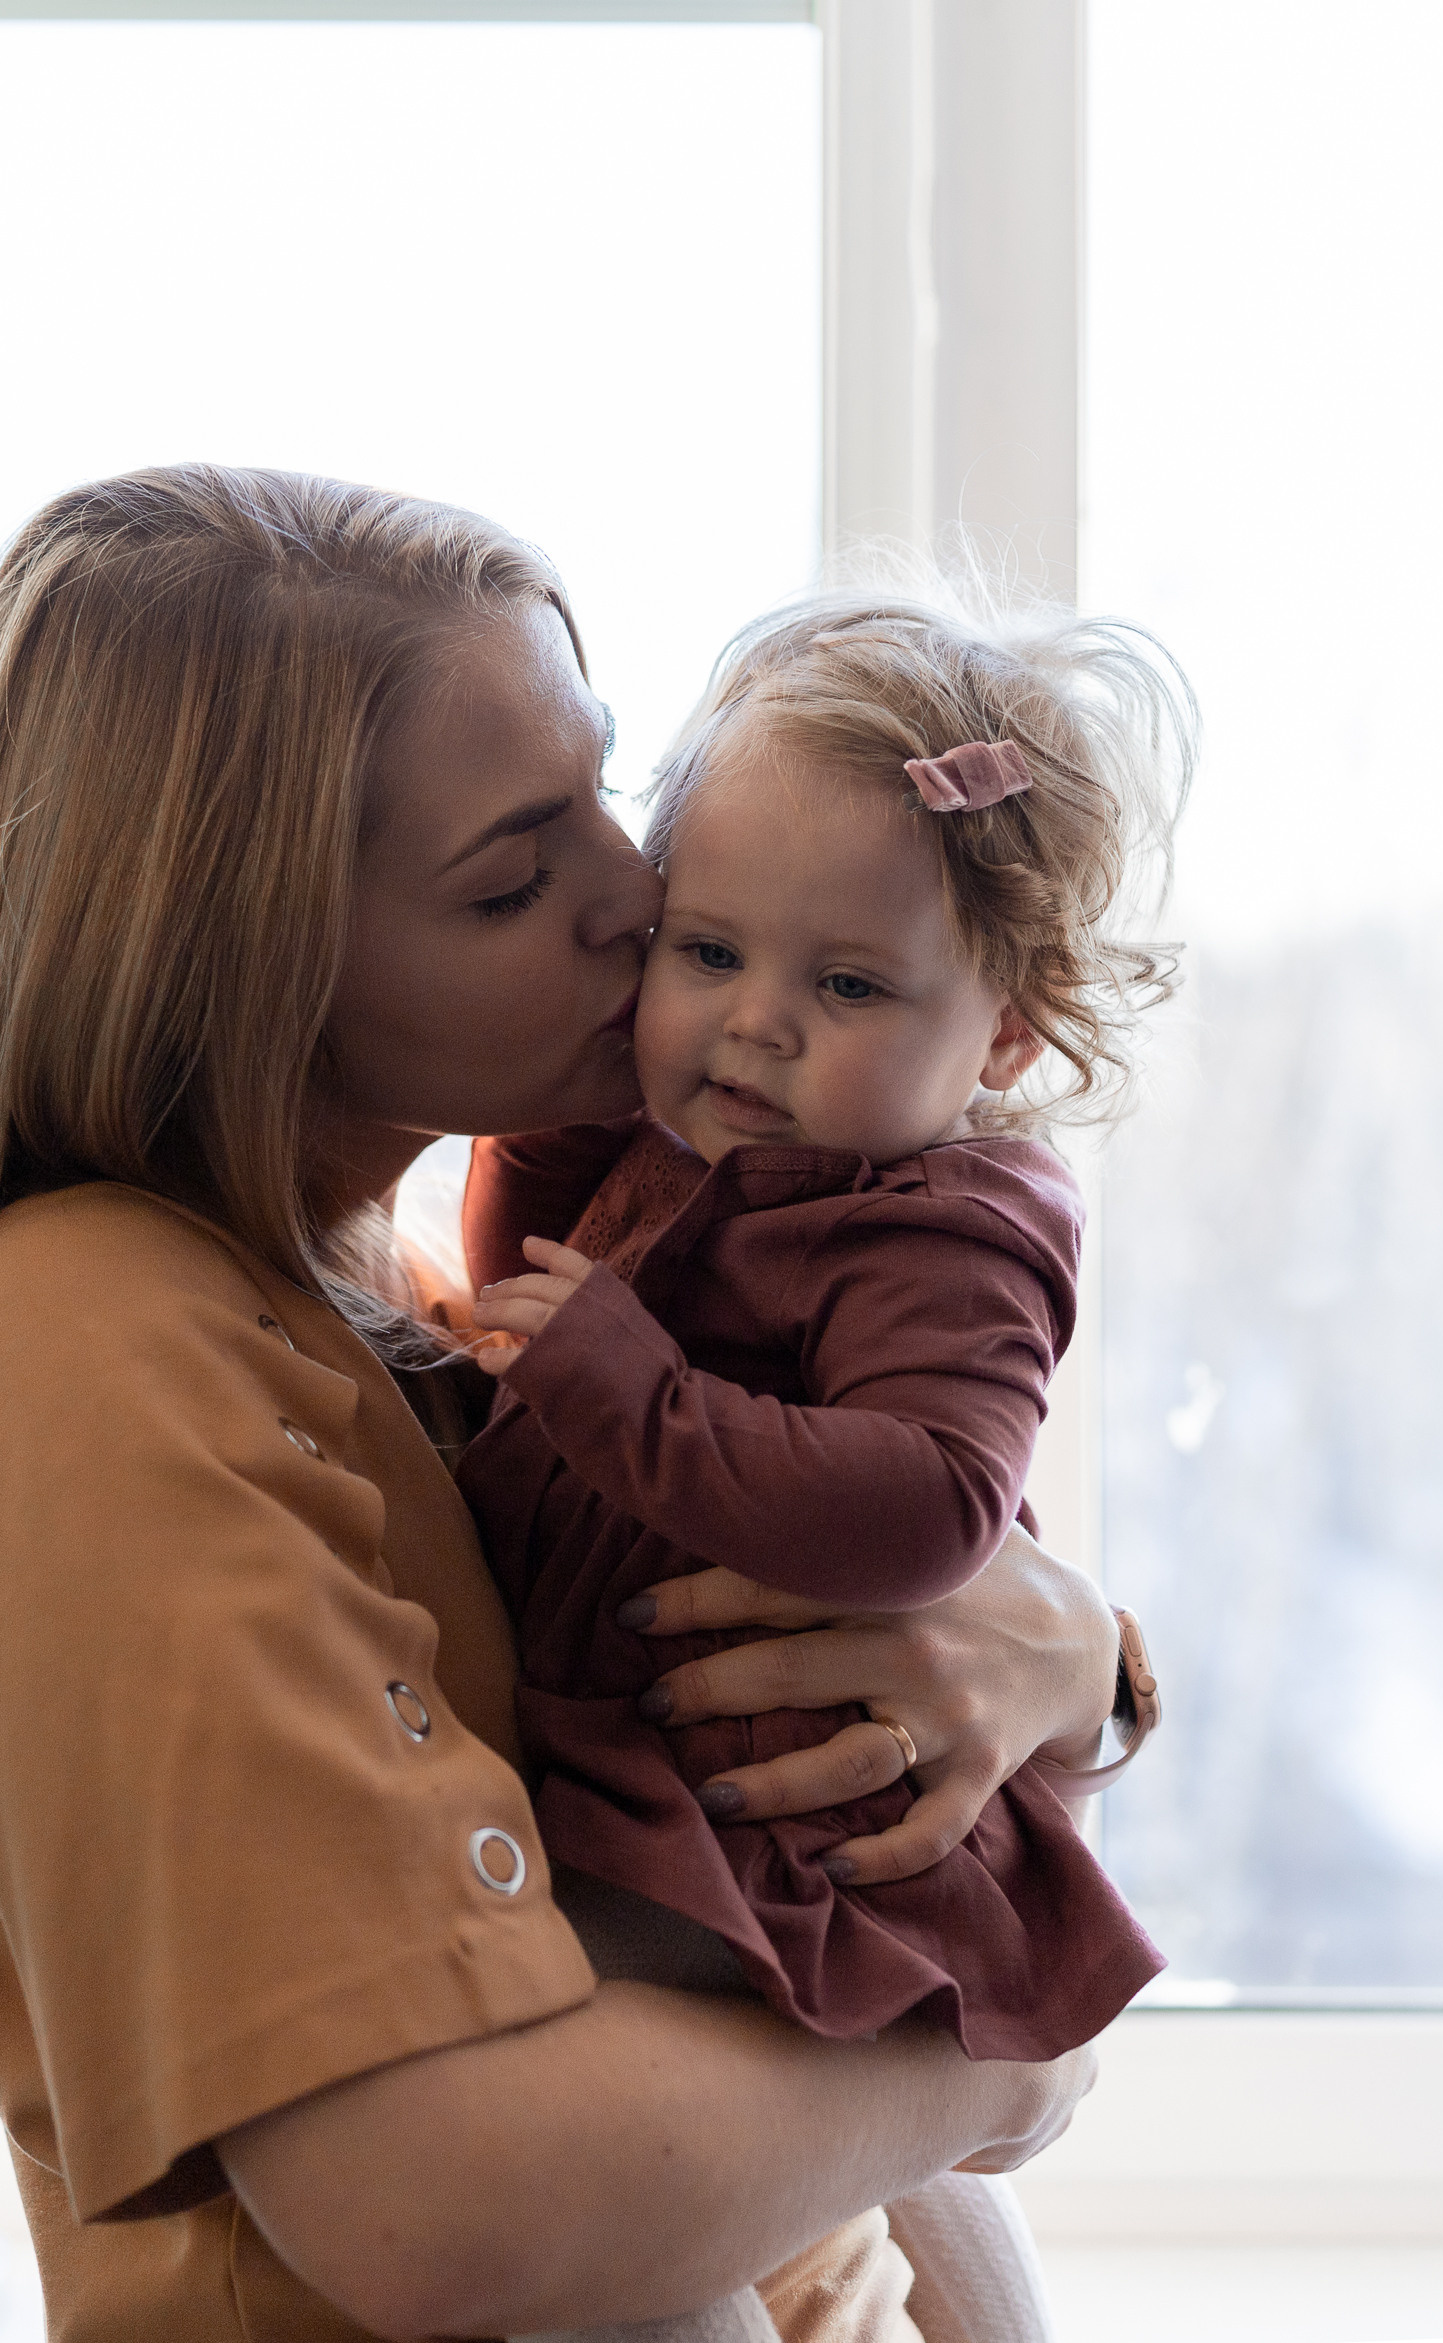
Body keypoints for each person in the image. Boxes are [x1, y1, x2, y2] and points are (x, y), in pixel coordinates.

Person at [0, 466, 1138, 2343]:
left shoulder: (417, 1290)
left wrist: (1071, 1656)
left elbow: (868, 1527)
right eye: (514, 875)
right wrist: (1002, 2073)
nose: (637, 900)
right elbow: (439, 2210)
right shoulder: (93, 1350)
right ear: (252, 963)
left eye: (610, 795)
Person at [458, 589, 1190, 2343]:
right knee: (771, 2187)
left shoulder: (954, 1232)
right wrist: (548, 1123)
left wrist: (630, 1394)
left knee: (634, 2158)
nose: (756, 1024)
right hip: (666, 1778)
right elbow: (525, 1284)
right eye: (704, 953)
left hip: (786, 1823)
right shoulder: (703, 1134)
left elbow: (931, 1505)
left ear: (1007, 1035)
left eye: (847, 983)